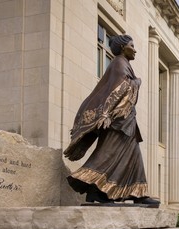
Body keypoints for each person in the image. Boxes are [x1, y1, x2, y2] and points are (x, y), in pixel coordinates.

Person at [64, 35, 159, 206]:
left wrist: (134, 82)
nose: (135, 49)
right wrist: (106, 113)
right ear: (123, 48)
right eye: (132, 45)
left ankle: (137, 192)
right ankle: (95, 189)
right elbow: (116, 89)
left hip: (127, 120)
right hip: (117, 122)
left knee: (133, 156)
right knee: (107, 155)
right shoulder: (119, 63)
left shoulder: (124, 64)